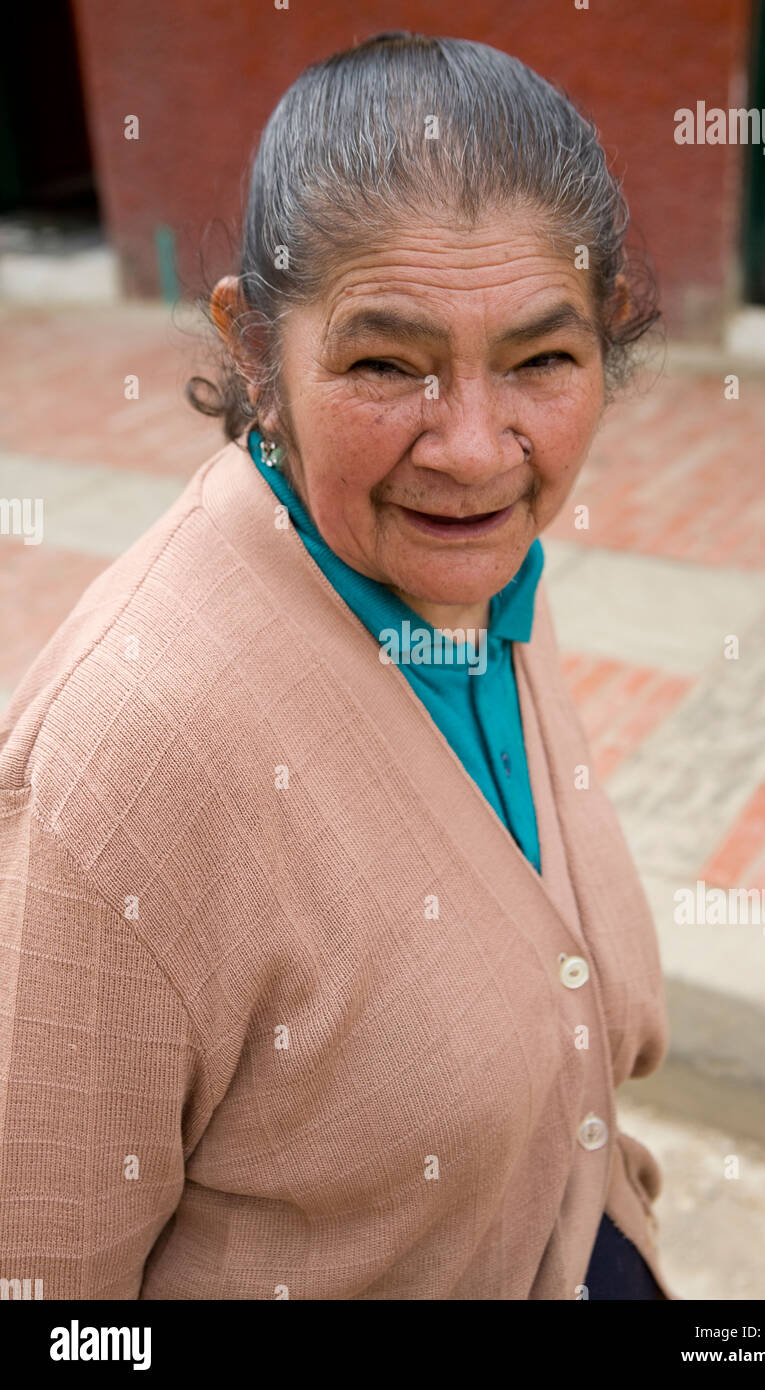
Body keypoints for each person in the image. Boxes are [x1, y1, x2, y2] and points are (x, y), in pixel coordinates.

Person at [0, 31, 671, 1299]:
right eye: (382, 362)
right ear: (255, 348)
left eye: (540, 359)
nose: (474, 450)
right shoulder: (125, 754)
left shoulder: (465, 572)